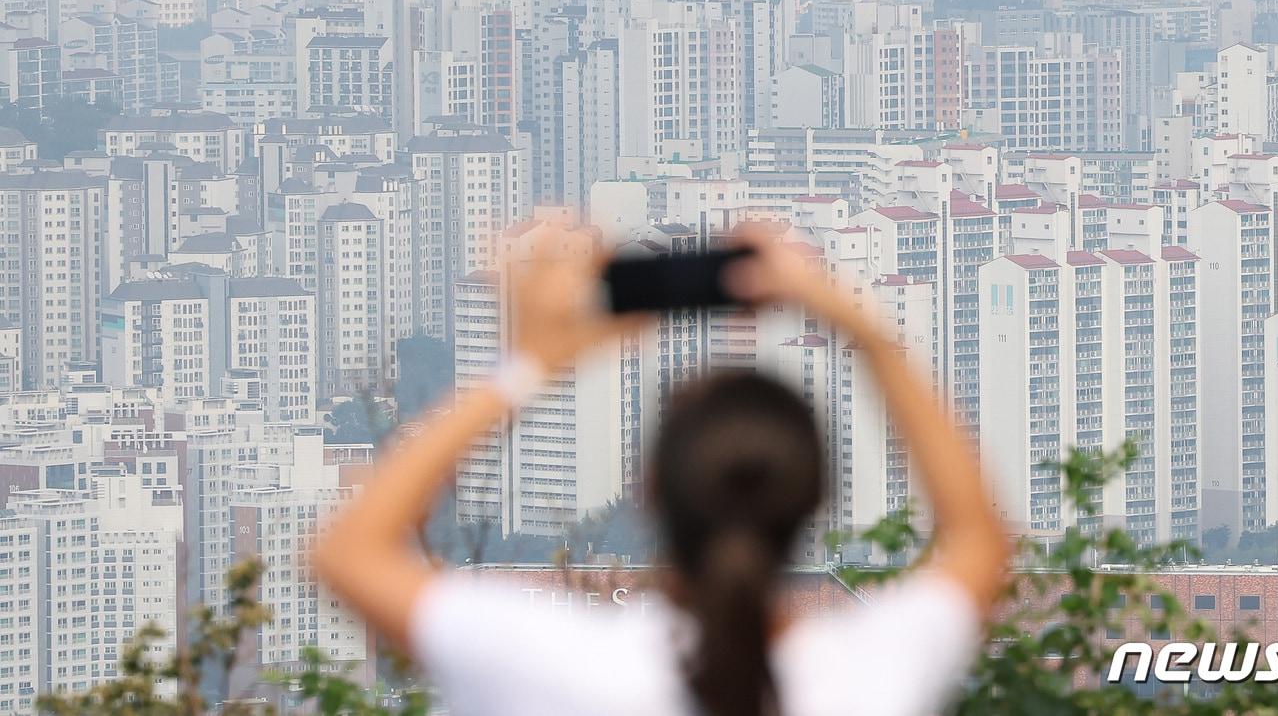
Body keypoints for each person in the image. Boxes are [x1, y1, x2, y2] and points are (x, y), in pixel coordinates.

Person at [313, 225, 1010, 716]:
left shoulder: (560, 663)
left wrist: (531, 363)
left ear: (646, 489)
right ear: (818, 495)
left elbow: (349, 551)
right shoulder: (871, 677)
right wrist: (857, 324)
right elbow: (977, 537)